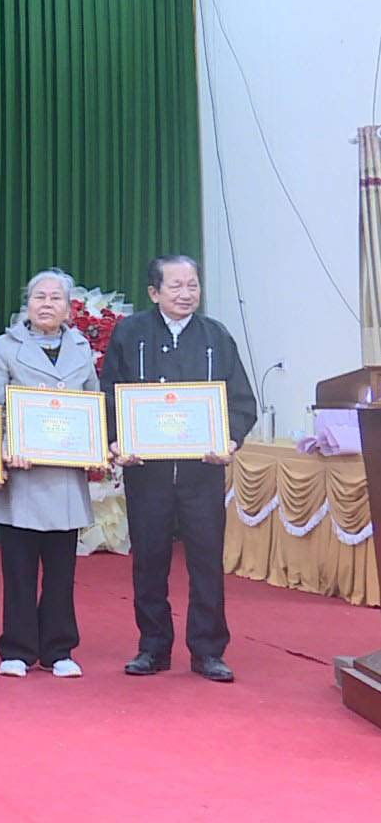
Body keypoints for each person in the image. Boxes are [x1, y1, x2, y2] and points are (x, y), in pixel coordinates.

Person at [101, 255, 256, 683]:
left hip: (201, 474)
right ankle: (153, 647)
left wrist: (230, 441)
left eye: (193, 286)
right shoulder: (130, 334)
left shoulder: (216, 336)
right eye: (176, 286)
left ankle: (208, 650)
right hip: (146, 472)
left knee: (206, 562)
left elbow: (241, 400)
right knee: (149, 560)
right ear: (154, 292)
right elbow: (109, 393)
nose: (186, 294)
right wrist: (116, 441)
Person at [0, 268, 107, 679]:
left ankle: (58, 649)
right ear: (27, 304)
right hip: (23, 476)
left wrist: (94, 449)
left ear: (68, 307)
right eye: (40, 296)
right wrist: (4, 447)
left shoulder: (81, 349)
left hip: (65, 477)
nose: (47, 304)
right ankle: (16, 649)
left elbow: (93, 406)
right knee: (18, 570)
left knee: (61, 571)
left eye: (56, 297)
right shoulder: (2, 347)